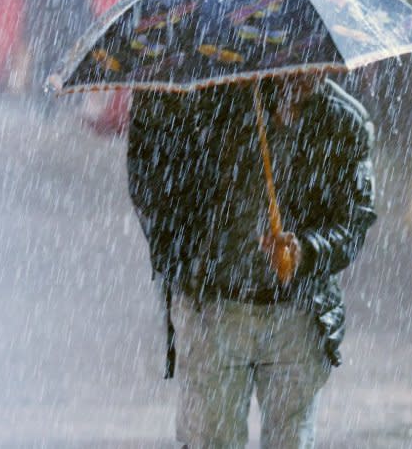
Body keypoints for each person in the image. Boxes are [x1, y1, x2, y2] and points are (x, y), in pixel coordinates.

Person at [127, 74, 377, 447]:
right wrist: (156, 105)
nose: (309, 75)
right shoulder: (205, 101)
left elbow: (352, 223)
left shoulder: (343, 121)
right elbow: (152, 187)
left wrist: (306, 250)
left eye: (318, 65)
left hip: (297, 315)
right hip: (213, 309)